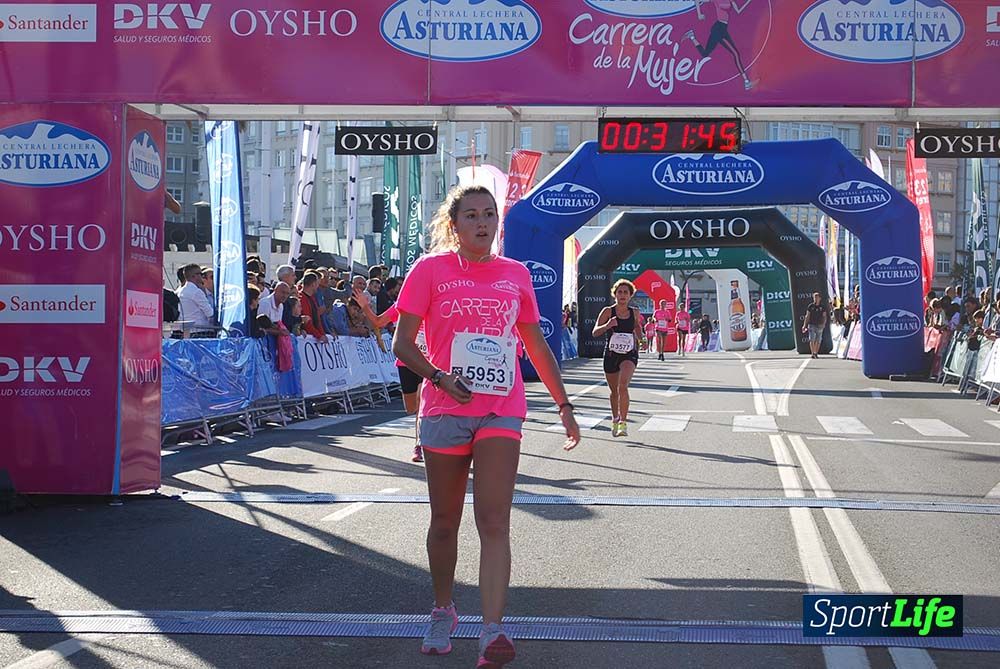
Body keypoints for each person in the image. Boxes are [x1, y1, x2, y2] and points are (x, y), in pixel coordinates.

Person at [392, 184, 580, 667]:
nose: (482, 223)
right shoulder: (429, 270)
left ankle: (492, 630)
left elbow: (535, 343)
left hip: (501, 407)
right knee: (444, 522)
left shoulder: (515, 274)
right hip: (444, 407)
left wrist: (563, 404)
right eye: (472, 215)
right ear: (454, 224)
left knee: (494, 521)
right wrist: (438, 376)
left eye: (490, 214)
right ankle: (443, 609)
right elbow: (402, 344)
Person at [355, 283, 427, 462]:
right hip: (406, 360)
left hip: (428, 361)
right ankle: (423, 434)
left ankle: (419, 444)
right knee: (411, 407)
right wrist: (365, 306)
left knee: (422, 400)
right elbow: (378, 322)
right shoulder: (402, 304)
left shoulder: (435, 304)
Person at [592, 279, 644, 438]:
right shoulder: (608, 312)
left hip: (629, 353)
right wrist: (608, 325)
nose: (622, 295)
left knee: (623, 386)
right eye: (619, 292)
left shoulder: (634, 312)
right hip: (611, 354)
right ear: (614, 295)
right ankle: (615, 418)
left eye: (625, 292)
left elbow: (637, 326)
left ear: (630, 295)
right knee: (614, 391)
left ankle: (623, 422)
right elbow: (595, 332)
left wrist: (641, 339)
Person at [684, 0, 756, 91]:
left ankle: (692, 36)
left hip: (722, 29)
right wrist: (699, 14)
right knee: (735, 54)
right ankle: (746, 82)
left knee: (705, 53)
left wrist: (748, 2)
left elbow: (738, 11)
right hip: (718, 29)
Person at [176, 263, 215, 336]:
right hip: (201, 332)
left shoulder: (180, 291)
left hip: (187, 332)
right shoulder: (196, 292)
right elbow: (210, 313)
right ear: (194, 276)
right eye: (201, 274)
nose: (202, 277)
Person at [297, 272, 327, 340]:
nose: (318, 287)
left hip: (312, 336)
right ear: (313, 284)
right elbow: (307, 322)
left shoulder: (312, 298)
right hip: (306, 338)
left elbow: (317, 319)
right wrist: (319, 335)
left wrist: (322, 334)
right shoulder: (301, 298)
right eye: (317, 284)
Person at [802, 292, 827, 359]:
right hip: (811, 324)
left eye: (817, 298)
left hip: (819, 324)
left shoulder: (822, 307)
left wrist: (823, 324)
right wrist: (804, 325)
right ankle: (813, 353)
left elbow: (824, 316)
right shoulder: (810, 306)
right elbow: (807, 316)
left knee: (818, 340)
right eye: (814, 298)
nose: (815, 299)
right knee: (812, 339)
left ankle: (816, 352)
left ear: (820, 298)